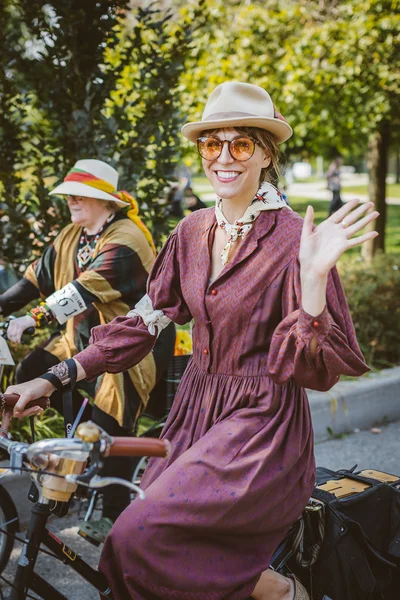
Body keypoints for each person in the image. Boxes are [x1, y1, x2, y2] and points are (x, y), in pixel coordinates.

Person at [7, 82, 378, 600]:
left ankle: (286, 592)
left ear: (266, 153)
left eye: (241, 144)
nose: (223, 157)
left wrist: (313, 284)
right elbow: (143, 322)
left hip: (260, 433)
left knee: (140, 542)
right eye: (211, 144)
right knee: (128, 543)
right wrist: (53, 377)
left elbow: (318, 371)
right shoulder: (191, 230)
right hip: (194, 418)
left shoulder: (296, 238)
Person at [0, 158, 175, 544]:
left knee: (107, 421)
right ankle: (67, 463)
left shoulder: (127, 239)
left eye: (81, 196)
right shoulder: (72, 236)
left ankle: (113, 513)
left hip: (131, 344)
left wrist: (32, 320)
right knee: (33, 367)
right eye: (69, 196)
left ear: (106, 201)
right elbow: (34, 278)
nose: (72, 202)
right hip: (80, 338)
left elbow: (82, 291)